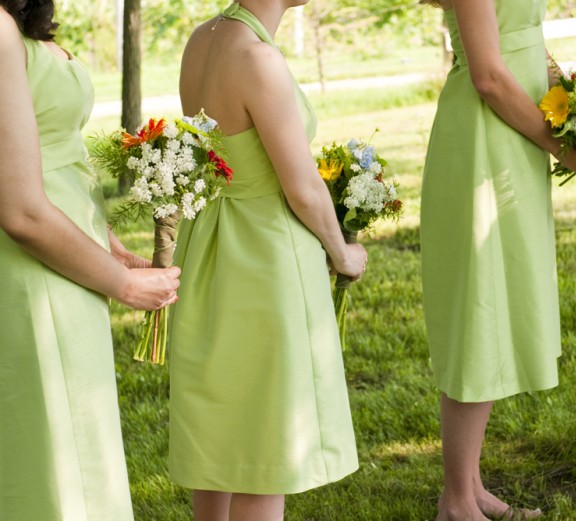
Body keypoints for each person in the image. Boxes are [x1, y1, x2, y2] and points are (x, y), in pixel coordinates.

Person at [167, 1, 368, 519]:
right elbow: (300, 186)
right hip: (264, 254)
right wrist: (342, 252)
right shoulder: (257, 57)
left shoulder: (202, 38)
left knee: (221, 435)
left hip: (210, 243)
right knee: (264, 446)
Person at [419, 0, 576, 519]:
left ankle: (471, 486)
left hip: (513, 135)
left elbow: (528, 42)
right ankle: (456, 500)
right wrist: (566, 153)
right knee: (479, 305)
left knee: (494, 301)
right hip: (484, 137)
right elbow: (489, 77)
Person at [0, 2, 181, 519]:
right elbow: (20, 210)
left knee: (77, 445)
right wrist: (121, 286)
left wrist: (107, 244)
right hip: (31, 270)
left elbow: (54, 154)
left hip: (65, 256)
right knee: (49, 459)